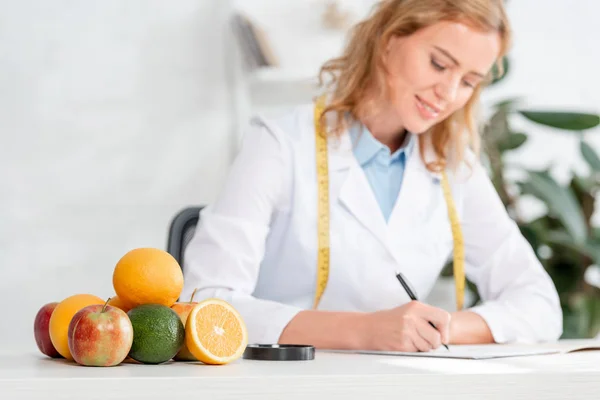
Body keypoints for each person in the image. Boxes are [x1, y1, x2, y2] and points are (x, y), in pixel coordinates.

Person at [180, 0, 562, 352]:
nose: (448, 93)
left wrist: (438, 328)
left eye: (468, 82)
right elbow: (209, 300)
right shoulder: (279, 143)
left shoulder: (453, 165)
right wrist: (364, 330)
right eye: (439, 64)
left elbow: (541, 305)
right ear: (388, 41)